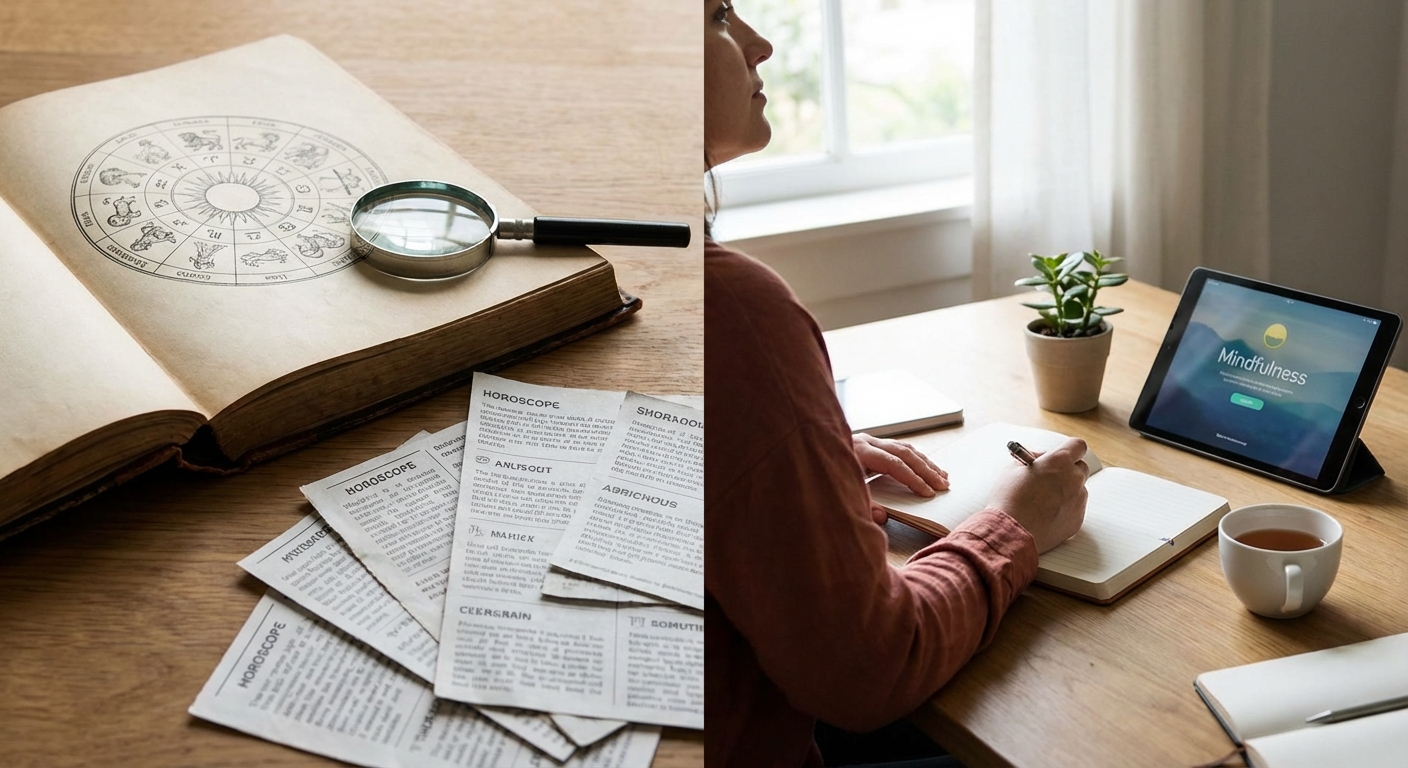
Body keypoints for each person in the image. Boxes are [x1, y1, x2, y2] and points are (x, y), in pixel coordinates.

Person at [703, 2, 1092, 766]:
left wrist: (800, 460)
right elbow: (866, 671)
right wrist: (1014, 525)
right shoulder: (733, 313)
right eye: (717, 16)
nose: (762, 42)